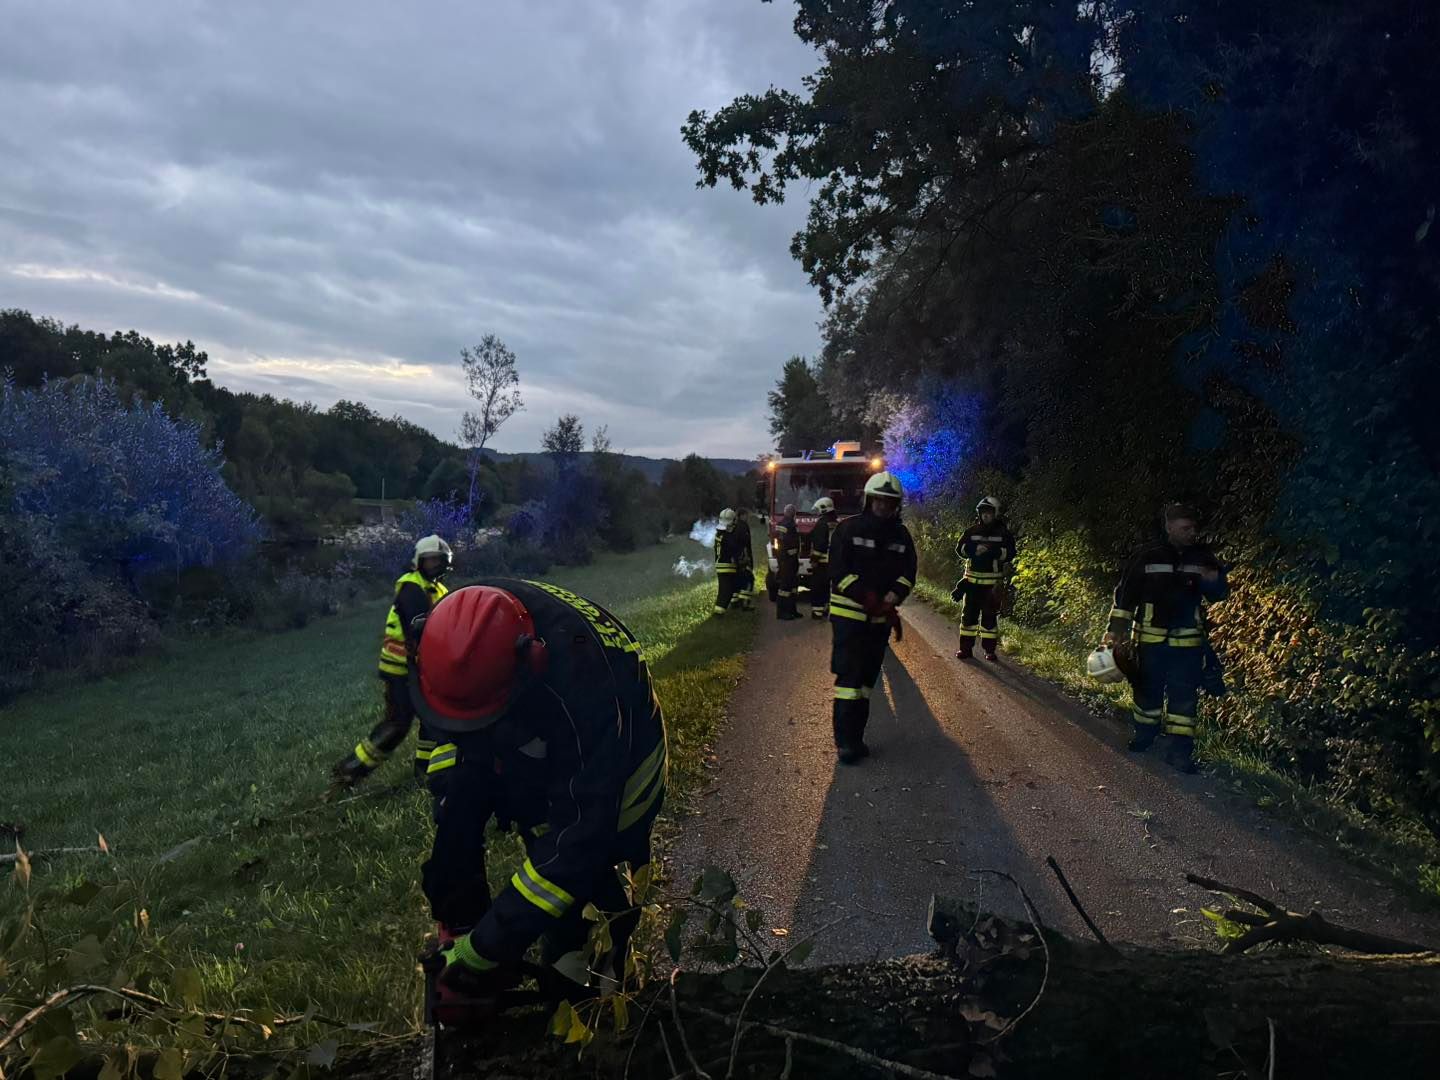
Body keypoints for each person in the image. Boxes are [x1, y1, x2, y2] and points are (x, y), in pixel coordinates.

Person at [416, 580, 666, 1000]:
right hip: (535, 732)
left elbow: (577, 843)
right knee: (457, 828)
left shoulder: (584, 685)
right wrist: (453, 811)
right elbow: (446, 722)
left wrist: (484, 949)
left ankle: (604, 984)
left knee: (582, 898)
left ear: (529, 666)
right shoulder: (455, 637)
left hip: (624, 774)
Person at [1103, 503, 1228, 774]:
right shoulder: (1147, 556)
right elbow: (1126, 596)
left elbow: (1219, 594)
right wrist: (1115, 631)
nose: (1191, 532)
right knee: (1147, 693)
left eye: (1193, 527)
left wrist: (1215, 580)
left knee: (1184, 701)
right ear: (1169, 527)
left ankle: (1180, 753)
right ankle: (1144, 737)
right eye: (1185, 528)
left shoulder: (1203, 558)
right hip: (1150, 643)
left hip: (1187, 646)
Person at [331, 534, 452, 787]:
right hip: (400, 669)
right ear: (418, 562)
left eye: (439, 561)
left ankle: (425, 771)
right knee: (398, 723)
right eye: (430, 561)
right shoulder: (411, 587)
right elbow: (418, 627)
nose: (435, 566)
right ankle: (350, 769)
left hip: (422, 668)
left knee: (433, 719)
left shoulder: (439, 590)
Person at [827, 472, 916, 764]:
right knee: (850, 679)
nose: (883, 506)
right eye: (879, 500)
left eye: (889, 501)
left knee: (866, 682)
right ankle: (846, 744)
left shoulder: (901, 537)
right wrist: (865, 596)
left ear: (896, 505)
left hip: (878, 623)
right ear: (869, 500)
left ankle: (856, 739)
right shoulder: (848, 530)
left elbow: (908, 574)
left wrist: (892, 598)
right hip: (849, 618)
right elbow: (838, 571)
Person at [953, 496, 1017, 662]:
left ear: (995, 514)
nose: (985, 516)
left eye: (989, 513)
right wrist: (974, 549)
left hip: (992, 585)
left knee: (989, 620)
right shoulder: (972, 531)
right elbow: (960, 549)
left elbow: (1010, 553)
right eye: (983, 513)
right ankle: (965, 649)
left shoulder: (1003, 533)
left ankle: (989, 650)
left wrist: (993, 552)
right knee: (968, 619)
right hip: (972, 583)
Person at [807, 497, 837, 620]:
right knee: (827, 587)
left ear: (823, 509)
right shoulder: (835, 522)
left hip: (821, 563)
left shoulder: (821, 523)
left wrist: (814, 559)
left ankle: (817, 612)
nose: (818, 512)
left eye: (819, 509)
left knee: (817, 587)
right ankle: (826, 608)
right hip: (833, 562)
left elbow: (819, 544)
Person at [775, 503, 802, 620]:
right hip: (789, 560)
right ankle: (782, 612)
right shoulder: (791, 525)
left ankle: (792, 610)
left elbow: (780, 542)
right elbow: (791, 543)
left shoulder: (780, 524)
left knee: (792, 586)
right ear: (793, 513)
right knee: (785, 587)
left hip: (784, 559)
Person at [712, 508, 741, 616]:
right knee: (726, 590)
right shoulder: (728, 536)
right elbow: (733, 548)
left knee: (726, 588)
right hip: (727, 565)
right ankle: (719, 612)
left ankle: (724, 609)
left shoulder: (719, 534)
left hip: (720, 564)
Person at [731, 507, 757, 611]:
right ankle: (745, 604)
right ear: (742, 515)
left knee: (738, 581)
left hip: (735, 559)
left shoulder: (734, 526)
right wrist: (747, 559)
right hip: (743, 560)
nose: (747, 517)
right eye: (746, 515)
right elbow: (745, 545)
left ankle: (735, 603)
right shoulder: (743, 527)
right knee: (749, 580)